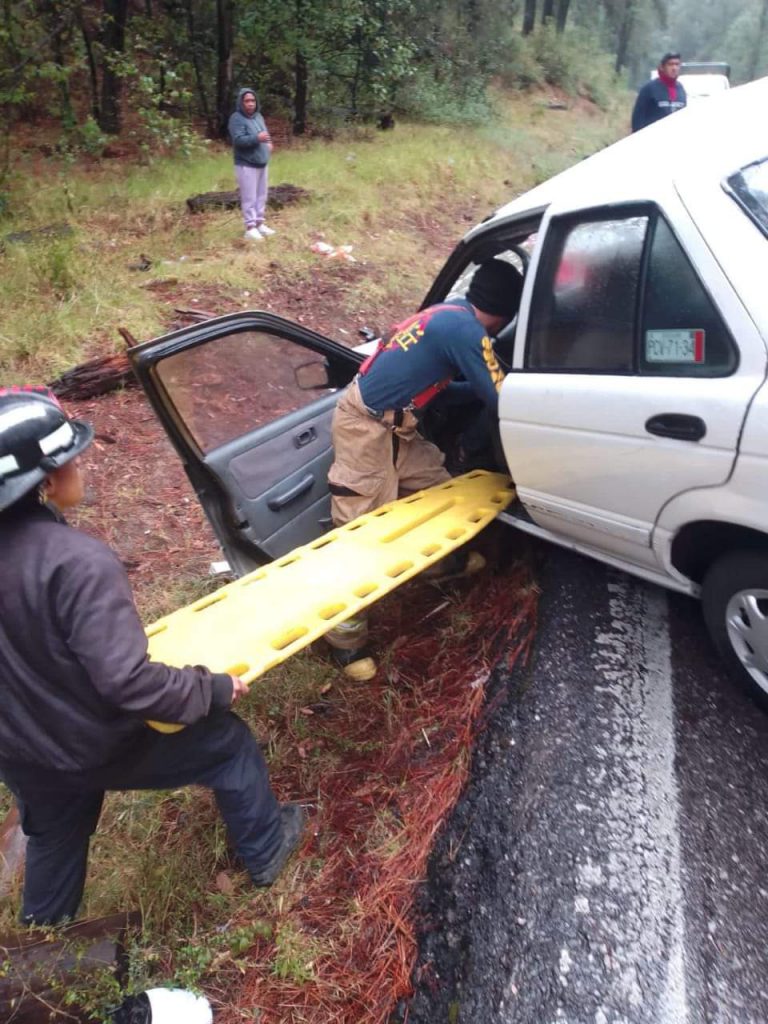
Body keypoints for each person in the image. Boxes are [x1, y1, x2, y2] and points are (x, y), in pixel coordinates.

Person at [0, 387, 304, 926]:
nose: (81, 467)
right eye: (73, 457)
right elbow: (127, 683)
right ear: (45, 480)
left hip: (21, 751)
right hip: (92, 744)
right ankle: (268, 849)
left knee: (57, 828)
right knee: (228, 744)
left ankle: (43, 946)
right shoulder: (76, 564)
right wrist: (211, 689)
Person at [325, 259, 524, 680]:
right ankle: (344, 643)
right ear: (507, 315)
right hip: (366, 428)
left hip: (398, 425)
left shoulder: (450, 313)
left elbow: (442, 388)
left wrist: (471, 388)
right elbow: (502, 398)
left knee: (442, 491)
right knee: (360, 533)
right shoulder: (468, 332)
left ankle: (439, 566)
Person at [228, 88, 275, 241]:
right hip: (246, 163)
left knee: (262, 195)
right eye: (247, 101)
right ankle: (250, 227)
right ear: (241, 102)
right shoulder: (236, 118)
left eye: (252, 101)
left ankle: (260, 223)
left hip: (262, 161)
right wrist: (257, 138)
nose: (250, 104)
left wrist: (268, 143)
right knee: (249, 197)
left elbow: (265, 133)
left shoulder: (258, 117)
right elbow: (238, 141)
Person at [631, 52, 687, 132]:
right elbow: (637, 121)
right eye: (670, 64)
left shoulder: (680, 89)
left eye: (677, 64)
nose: (674, 68)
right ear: (662, 67)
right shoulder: (649, 89)